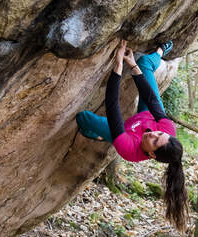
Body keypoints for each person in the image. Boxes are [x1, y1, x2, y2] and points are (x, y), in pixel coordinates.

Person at [76, 40, 188, 231]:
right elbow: (151, 99)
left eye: (154, 141)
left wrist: (118, 66)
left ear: (152, 155)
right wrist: (132, 64)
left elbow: (112, 108)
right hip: (146, 115)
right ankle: (161, 51)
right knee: (144, 64)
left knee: (84, 118)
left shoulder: (129, 149)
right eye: (158, 134)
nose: (153, 134)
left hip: (125, 132)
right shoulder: (166, 129)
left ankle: (100, 136)